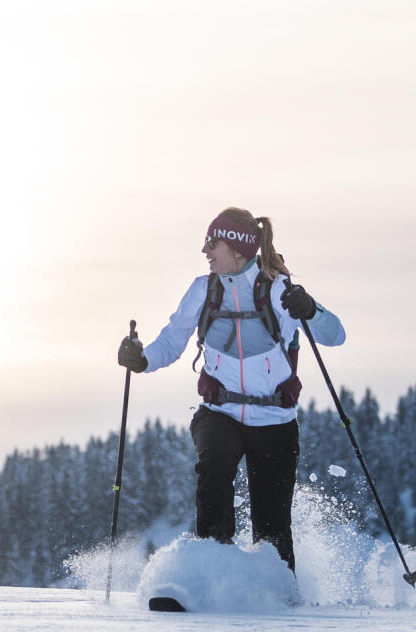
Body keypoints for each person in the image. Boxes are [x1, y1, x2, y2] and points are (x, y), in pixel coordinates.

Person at [118, 207, 346, 570]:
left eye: (213, 242)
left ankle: (276, 592)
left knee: (272, 527)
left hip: (274, 420)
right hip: (219, 413)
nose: (205, 250)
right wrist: (141, 359)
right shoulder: (202, 290)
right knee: (213, 479)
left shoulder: (279, 291)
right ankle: (211, 575)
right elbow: (172, 341)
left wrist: (311, 311)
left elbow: (335, 335)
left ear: (238, 247)